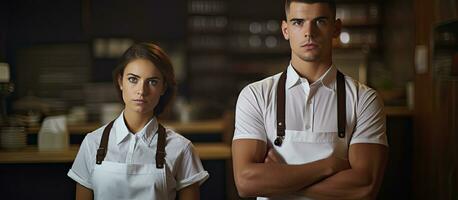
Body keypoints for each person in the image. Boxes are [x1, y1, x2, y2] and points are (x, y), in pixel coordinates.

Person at [232, 0, 388, 199]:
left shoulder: (365, 100)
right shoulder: (255, 95)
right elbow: (246, 182)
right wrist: (329, 165)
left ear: (336, 28)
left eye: (320, 21)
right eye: (298, 22)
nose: (309, 32)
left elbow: (365, 186)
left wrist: (280, 178)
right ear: (285, 30)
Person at [68, 42, 209, 200]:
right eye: (133, 79)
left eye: (152, 82)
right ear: (121, 82)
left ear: (163, 88)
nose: (141, 91)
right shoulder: (92, 143)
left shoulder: (181, 148)